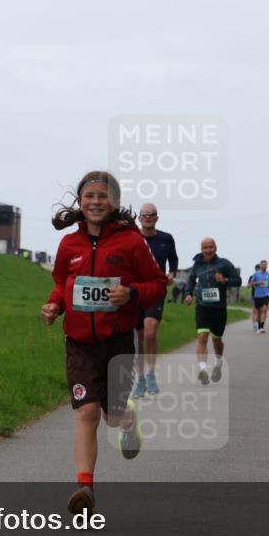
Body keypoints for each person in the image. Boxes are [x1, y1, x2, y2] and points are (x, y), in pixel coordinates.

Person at [41, 171, 167, 515]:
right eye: (89, 196)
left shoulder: (131, 242)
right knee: (87, 412)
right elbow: (61, 283)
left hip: (117, 342)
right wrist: (54, 305)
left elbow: (158, 283)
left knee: (112, 417)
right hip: (79, 343)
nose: (96, 202)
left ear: (115, 202)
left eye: (103, 196)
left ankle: (128, 420)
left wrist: (131, 293)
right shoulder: (69, 244)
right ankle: (85, 488)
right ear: (80, 201)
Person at [132, 203, 178, 399]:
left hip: (156, 289)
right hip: (135, 291)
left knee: (150, 333)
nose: (148, 217)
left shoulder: (166, 238)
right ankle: (140, 379)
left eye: (152, 214)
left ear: (157, 218)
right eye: (144, 214)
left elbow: (173, 259)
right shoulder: (133, 237)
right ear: (139, 218)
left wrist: (172, 273)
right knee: (138, 338)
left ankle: (151, 374)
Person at [183, 238, 241, 385]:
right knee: (202, 337)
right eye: (205, 248)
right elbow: (191, 280)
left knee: (217, 339)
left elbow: (238, 281)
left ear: (215, 248)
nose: (208, 250)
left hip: (219, 308)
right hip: (202, 306)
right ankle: (203, 369)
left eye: (210, 247)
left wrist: (225, 280)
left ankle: (218, 362)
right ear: (201, 249)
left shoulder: (224, 263)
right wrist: (188, 294)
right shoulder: (197, 265)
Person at [248, 260, 269, 333]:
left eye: (266, 265)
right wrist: (258, 282)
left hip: (266, 294)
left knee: (264, 310)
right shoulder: (256, 274)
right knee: (258, 312)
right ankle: (258, 325)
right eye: (263, 265)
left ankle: (262, 327)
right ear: (261, 265)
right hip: (258, 295)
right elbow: (250, 284)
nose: (264, 266)